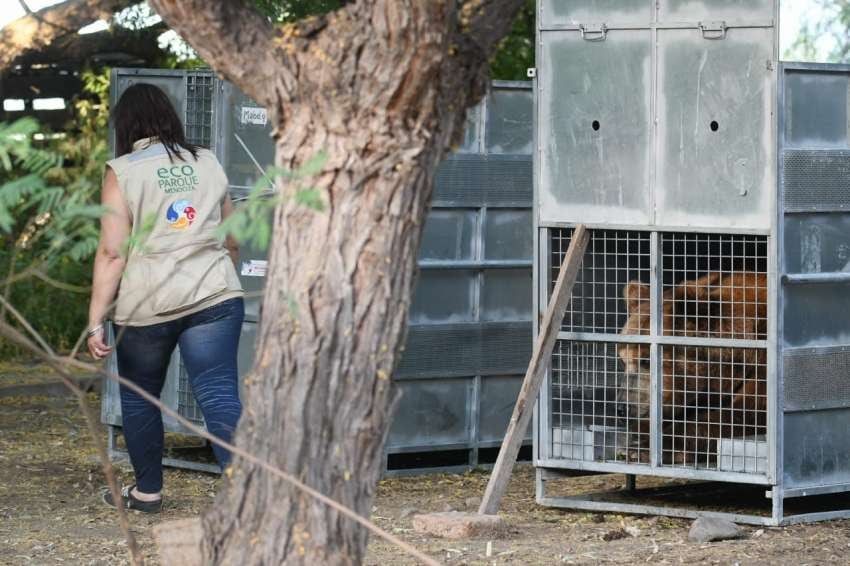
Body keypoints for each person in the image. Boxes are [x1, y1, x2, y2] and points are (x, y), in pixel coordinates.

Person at [86, 83, 244, 513]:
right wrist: (226, 272)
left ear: (127, 126)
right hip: (213, 293)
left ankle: (148, 493)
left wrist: (95, 318)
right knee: (218, 394)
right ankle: (250, 498)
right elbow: (232, 237)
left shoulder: (123, 170)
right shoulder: (206, 160)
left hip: (148, 303)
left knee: (140, 397)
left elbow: (113, 251)